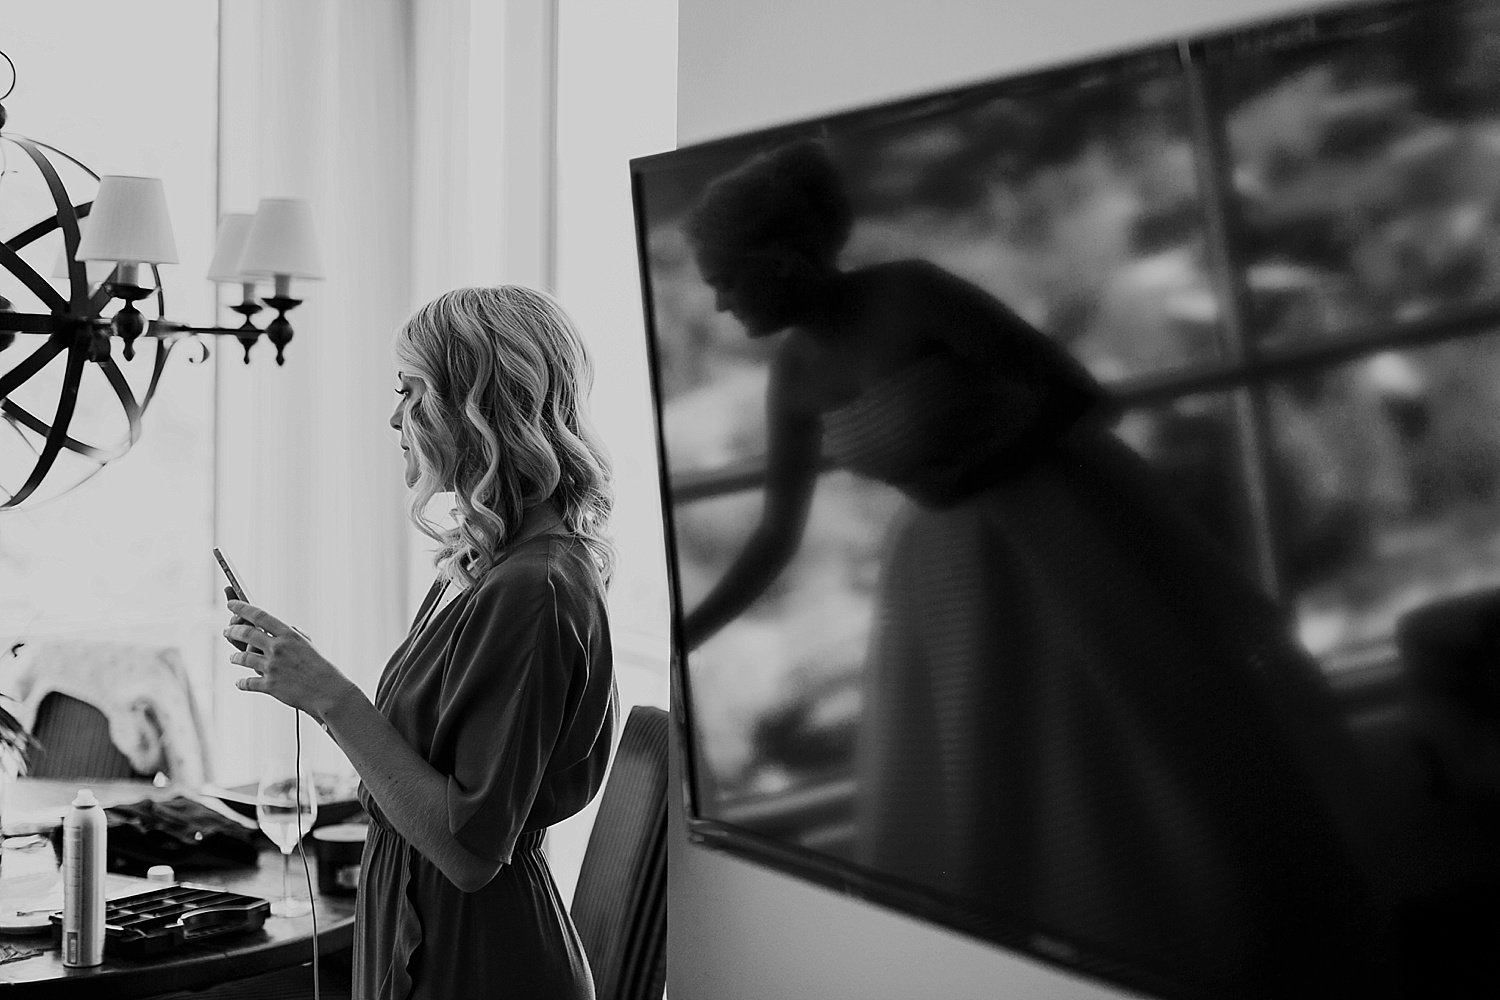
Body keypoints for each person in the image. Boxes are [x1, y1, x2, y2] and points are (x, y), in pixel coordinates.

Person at [680, 140, 1394, 996]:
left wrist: (983, 466)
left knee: (1128, 741)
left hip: (1059, 534)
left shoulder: (912, 294)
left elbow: (1076, 393)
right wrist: (687, 634)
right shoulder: (794, 373)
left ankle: (1218, 945)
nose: (719, 305)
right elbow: (775, 534)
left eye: (726, 281)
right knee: (995, 773)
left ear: (778, 260)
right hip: (946, 578)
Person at [222, 285, 617, 999]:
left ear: (476, 405)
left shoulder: (534, 588)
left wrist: (330, 697)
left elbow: (469, 855)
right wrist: (312, 679)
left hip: (479, 960)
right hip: (429, 928)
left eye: (411, 391)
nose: (395, 417)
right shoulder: (486, 563)